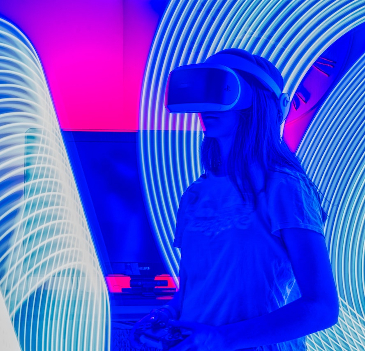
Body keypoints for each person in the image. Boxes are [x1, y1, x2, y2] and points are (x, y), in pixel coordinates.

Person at [131, 48, 339, 351]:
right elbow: (194, 289)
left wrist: (220, 338)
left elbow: (321, 308)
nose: (206, 105)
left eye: (221, 90)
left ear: (257, 100)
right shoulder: (195, 194)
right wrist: (164, 315)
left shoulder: (284, 188)